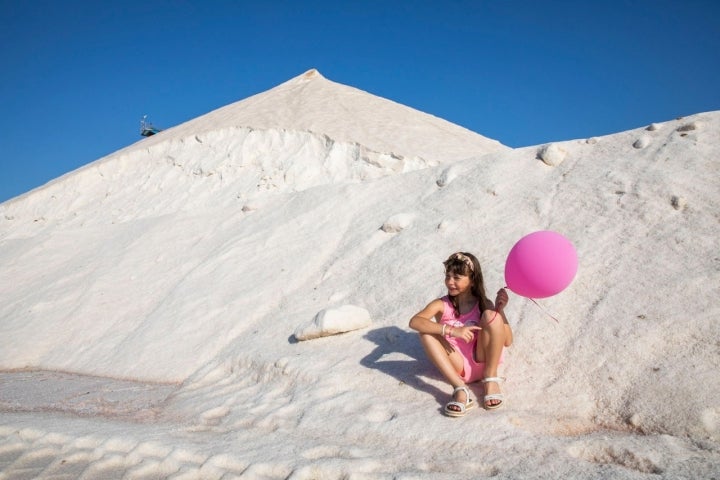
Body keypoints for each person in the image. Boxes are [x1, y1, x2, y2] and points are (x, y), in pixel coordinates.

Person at [408, 252, 513, 416]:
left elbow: (507, 341)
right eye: (447, 276)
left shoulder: (483, 303)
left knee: (490, 316)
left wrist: (500, 310)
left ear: (472, 280)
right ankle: (459, 388)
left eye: (457, 277)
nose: (450, 282)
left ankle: (491, 379)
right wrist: (452, 330)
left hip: (483, 360)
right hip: (458, 366)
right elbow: (415, 322)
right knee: (426, 332)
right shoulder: (442, 304)